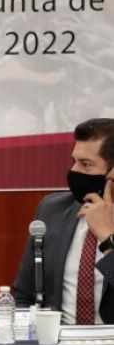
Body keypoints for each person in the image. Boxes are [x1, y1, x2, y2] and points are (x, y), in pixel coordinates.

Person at [14, 118, 114, 322]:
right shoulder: (52, 210)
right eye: (74, 161)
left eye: (86, 164)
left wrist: (107, 237)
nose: (75, 171)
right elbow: (24, 293)